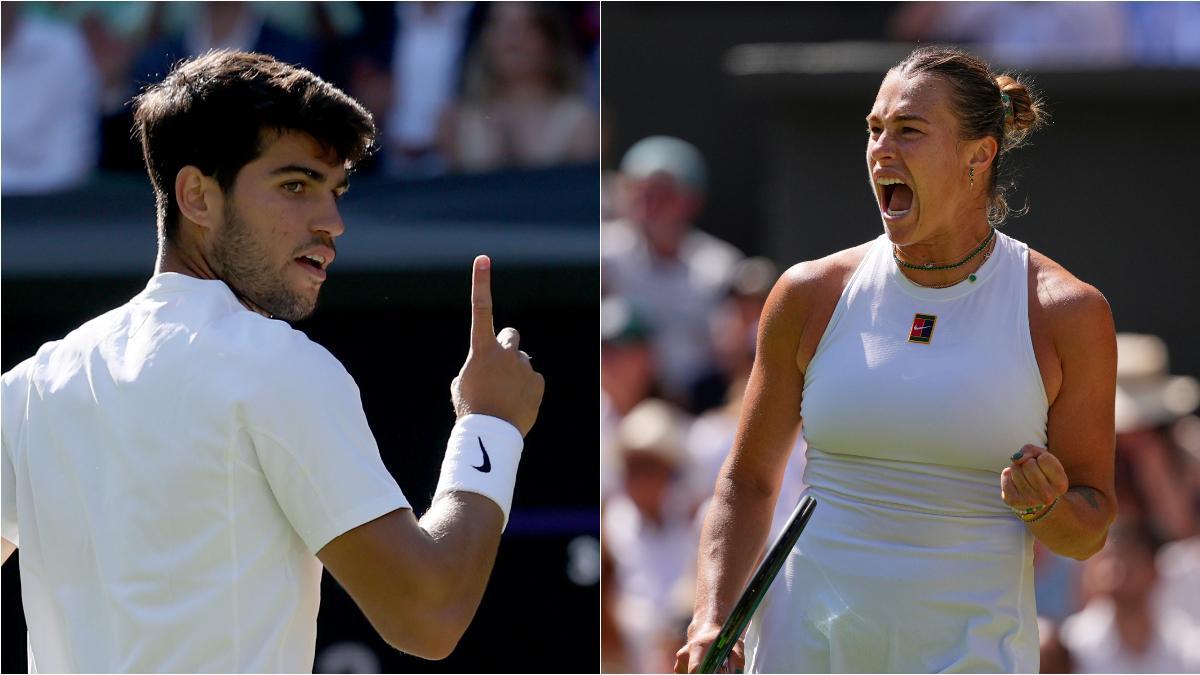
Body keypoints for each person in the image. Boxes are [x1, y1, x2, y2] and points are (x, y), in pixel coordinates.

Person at [0, 50, 544, 672]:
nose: (332, 221)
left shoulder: (32, 387)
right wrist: (491, 426)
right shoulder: (276, 365)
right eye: (295, 185)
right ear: (198, 197)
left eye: (335, 190)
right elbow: (429, 613)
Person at [676, 45, 1117, 673]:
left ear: (978, 156)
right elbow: (747, 481)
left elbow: (1090, 526)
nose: (881, 148)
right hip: (805, 647)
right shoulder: (809, 294)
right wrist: (711, 616)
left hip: (970, 656)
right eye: (874, 129)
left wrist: (1046, 507)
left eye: (908, 130)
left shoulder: (1067, 312)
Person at [602, 136, 743, 411]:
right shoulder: (606, 253)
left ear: (690, 200)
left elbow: (731, 352)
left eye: (661, 192)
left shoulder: (720, 266)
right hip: (615, 405)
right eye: (639, 192)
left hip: (697, 405)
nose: (648, 204)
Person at [438, 2, 598, 173]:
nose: (512, 38)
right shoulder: (459, 121)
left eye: (527, 26)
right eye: (498, 24)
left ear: (550, 39)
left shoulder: (579, 122)